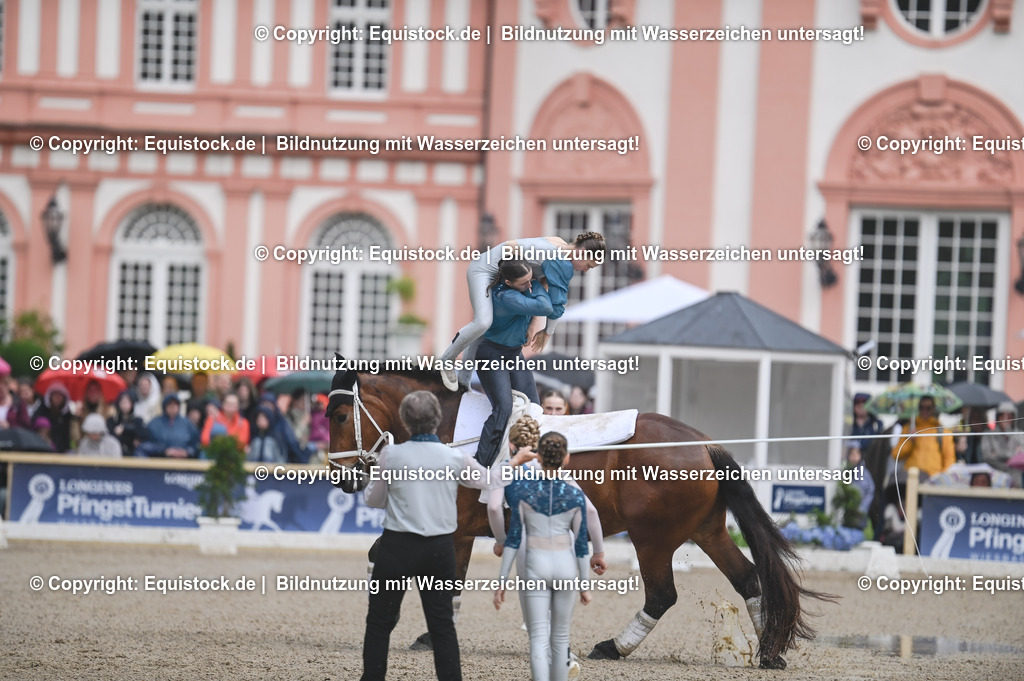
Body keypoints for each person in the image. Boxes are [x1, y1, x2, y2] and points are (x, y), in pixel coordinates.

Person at [361, 391, 492, 681]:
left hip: (397, 546)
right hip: (438, 549)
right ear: (437, 421)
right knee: (442, 626)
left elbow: (373, 499)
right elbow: (487, 480)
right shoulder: (454, 456)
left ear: (406, 422)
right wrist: (517, 459)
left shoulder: (390, 455)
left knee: (379, 622)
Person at [439, 232, 606, 391]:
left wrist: (531, 324)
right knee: (483, 322)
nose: (586, 270)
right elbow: (557, 305)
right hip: (484, 270)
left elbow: (540, 285)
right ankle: (447, 361)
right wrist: (548, 332)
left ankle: (463, 382)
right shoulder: (560, 260)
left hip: (502, 278)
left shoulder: (558, 242)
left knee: (485, 329)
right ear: (582, 253)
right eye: (589, 266)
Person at [494, 431, 592, 681]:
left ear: (538, 458)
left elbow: (514, 538)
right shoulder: (575, 495)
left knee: (538, 637)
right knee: (560, 639)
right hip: (566, 566)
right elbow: (581, 545)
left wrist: (502, 580)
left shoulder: (522, 491)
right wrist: (584, 584)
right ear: (567, 458)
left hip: (536, 564)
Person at [475, 260, 552, 467]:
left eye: (530, 280)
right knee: (504, 407)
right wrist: (537, 285)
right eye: (524, 283)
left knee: (534, 408)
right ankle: (480, 465)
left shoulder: (518, 289)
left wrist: (532, 284)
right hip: (491, 354)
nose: (528, 286)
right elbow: (545, 306)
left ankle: (530, 463)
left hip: (513, 353)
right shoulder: (506, 296)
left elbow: (540, 306)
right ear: (508, 282)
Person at [890, 396, 955, 478]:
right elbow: (896, 455)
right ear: (918, 408)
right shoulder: (909, 428)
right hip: (911, 476)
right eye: (922, 407)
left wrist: (941, 478)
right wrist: (909, 441)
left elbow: (949, 459)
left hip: (932, 479)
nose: (925, 410)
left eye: (928, 408)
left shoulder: (943, 431)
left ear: (933, 409)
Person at [137, 394, 200, 458]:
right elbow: (146, 445)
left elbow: (195, 444)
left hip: (183, 463)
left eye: (175, 404)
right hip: (160, 462)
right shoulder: (155, 423)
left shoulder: (187, 423)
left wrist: (187, 452)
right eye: (170, 404)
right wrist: (164, 450)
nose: (172, 407)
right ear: (164, 406)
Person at [981, 402, 1024, 487]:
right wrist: (1011, 455)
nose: (1005, 419)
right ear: (997, 417)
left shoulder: (1020, 435)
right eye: (1002, 416)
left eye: (1009, 416)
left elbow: (1021, 456)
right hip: (995, 474)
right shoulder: (989, 435)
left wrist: (997, 453)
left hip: (1016, 476)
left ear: (1014, 418)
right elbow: (986, 455)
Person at [107, 390, 148, 457]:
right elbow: (110, 436)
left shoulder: (137, 420)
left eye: (127, 402)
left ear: (132, 404)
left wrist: (126, 429)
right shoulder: (113, 420)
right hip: (116, 453)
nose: (125, 404)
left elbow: (144, 435)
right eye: (122, 402)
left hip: (133, 454)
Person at [844, 445, 875, 530]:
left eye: (856, 454)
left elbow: (870, 491)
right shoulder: (845, 471)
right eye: (851, 454)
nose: (853, 457)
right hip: (847, 511)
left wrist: (862, 508)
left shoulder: (865, 473)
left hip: (860, 512)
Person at [38, 383, 74, 453]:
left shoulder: (68, 415)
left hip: (64, 453)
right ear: (50, 396)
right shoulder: (42, 412)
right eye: (55, 395)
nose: (58, 398)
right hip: (45, 450)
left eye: (60, 395)